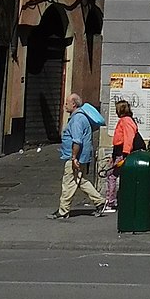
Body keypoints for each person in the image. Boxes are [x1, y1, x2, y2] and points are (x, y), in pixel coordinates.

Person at [51, 92, 107, 220]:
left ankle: (63, 211)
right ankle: (100, 202)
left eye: (67, 103)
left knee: (68, 183)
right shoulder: (80, 117)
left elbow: (77, 141)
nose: (65, 105)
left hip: (76, 157)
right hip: (82, 156)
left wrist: (74, 157)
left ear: (74, 104)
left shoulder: (77, 120)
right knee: (81, 181)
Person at [104, 98, 144, 213]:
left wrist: (126, 154)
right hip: (119, 152)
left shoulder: (126, 121)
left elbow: (128, 138)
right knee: (113, 175)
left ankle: (111, 202)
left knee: (111, 175)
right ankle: (113, 201)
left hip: (123, 153)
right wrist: (113, 156)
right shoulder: (125, 120)